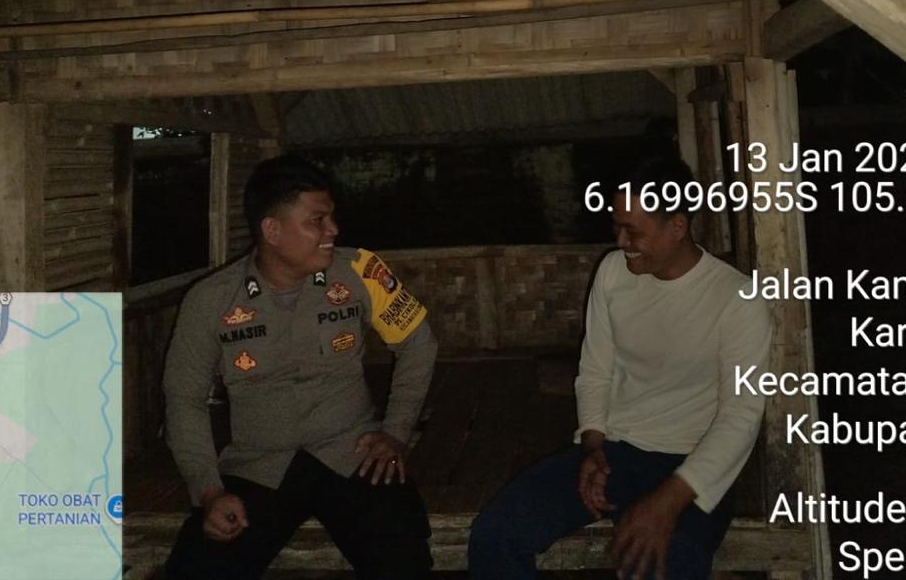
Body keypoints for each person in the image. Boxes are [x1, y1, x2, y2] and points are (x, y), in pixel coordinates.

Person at [468, 152, 772, 580]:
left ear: (678, 226)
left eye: (634, 231)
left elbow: (740, 417)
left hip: (694, 467)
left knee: (663, 563)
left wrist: (666, 504)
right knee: (496, 534)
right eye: (616, 227)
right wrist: (592, 447)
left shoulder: (737, 299)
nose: (621, 241)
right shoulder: (613, 273)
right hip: (615, 453)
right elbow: (595, 370)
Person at [162, 154, 438, 580]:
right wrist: (210, 491)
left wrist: (396, 431)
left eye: (331, 218)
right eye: (317, 221)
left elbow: (418, 343)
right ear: (272, 230)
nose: (333, 230)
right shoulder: (211, 300)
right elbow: (184, 399)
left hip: (354, 454)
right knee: (198, 568)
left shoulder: (360, 271)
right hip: (258, 466)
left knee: (404, 559)